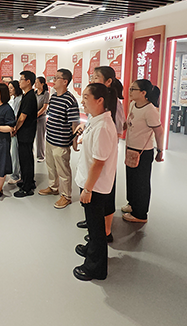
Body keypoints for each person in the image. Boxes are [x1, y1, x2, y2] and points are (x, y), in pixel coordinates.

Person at [73, 83, 118, 281]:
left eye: (86, 97)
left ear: (100, 100)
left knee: (96, 228)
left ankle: (96, 268)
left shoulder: (103, 127)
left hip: (95, 186)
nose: (82, 101)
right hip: (89, 181)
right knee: (92, 225)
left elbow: (99, 163)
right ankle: (91, 248)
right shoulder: (96, 119)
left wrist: (88, 189)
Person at [77, 66, 123, 242]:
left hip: (103, 158)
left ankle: (105, 230)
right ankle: (94, 226)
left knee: (104, 198)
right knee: (93, 209)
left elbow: (115, 131)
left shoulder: (111, 107)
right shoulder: (96, 109)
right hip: (95, 155)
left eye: (96, 77)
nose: (92, 80)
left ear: (108, 81)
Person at [122, 79, 165, 223]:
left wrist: (160, 150)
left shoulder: (150, 110)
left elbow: (159, 132)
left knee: (141, 182)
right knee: (131, 179)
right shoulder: (133, 104)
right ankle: (132, 204)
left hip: (143, 151)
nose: (129, 91)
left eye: (133, 89)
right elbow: (129, 122)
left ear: (143, 93)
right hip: (131, 148)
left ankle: (140, 214)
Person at [38, 69, 80, 209]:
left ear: (65, 81)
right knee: (50, 165)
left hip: (61, 142)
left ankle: (66, 196)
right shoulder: (54, 96)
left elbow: (74, 122)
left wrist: (74, 140)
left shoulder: (70, 100)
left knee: (63, 170)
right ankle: (53, 187)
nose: (53, 80)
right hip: (50, 138)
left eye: (56, 78)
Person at [13, 71, 38, 198]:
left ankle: (27, 188)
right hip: (26, 133)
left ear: (28, 82)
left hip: (26, 133)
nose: (19, 82)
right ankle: (28, 180)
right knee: (26, 158)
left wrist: (15, 129)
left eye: (21, 79)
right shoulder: (27, 95)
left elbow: (22, 117)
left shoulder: (29, 97)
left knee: (25, 159)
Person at [7, 80, 23, 185]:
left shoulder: (20, 99)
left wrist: (14, 128)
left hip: (16, 129)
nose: (9, 90)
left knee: (15, 153)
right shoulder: (15, 99)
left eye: (11, 88)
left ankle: (15, 175)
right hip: (14, 127)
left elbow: (17, 116)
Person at [34, 76, 50, 162]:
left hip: (41, 118)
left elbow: (44, 107)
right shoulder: (34, 93)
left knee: (40, 138)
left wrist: (37, 115)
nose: (35, 84)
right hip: (33, 118)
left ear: (42, 83)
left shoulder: (46, 93)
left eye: (37, 82)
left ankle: (41, 156)